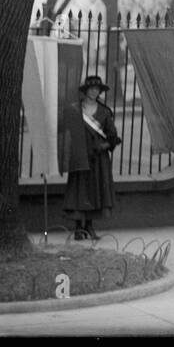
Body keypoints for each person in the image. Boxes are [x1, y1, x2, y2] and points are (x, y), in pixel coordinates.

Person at [58, 75, 121, 241]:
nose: (94, 92)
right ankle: (78, 228)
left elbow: (113, 137)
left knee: (95, 190)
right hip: (79, 156)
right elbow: (65, 131)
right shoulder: (74, 110)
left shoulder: (105, 112)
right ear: (85, 91)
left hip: (98, 159)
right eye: (91, 89)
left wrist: (104, 146)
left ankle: (90, 227)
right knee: (79, 190)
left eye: (97, 89)